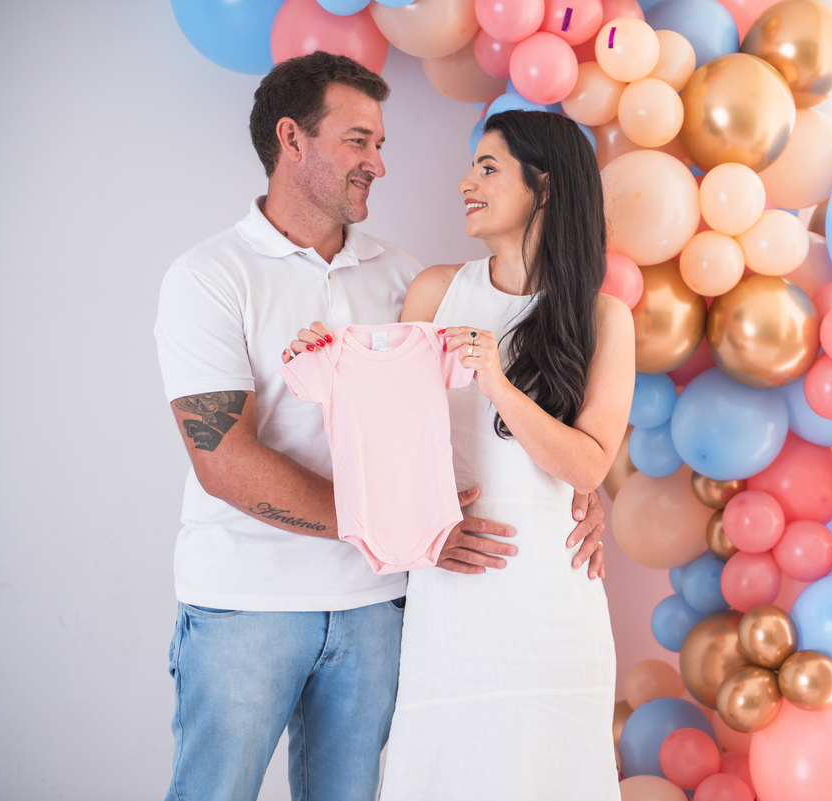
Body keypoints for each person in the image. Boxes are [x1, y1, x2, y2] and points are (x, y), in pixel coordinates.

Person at [153, 53, 605, 801]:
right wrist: (409, 529)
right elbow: (223, 461)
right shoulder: (211, 276)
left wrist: (579, 490)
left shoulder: (404, 278)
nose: (379, 164)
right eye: (358, 141)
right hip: (248, 602)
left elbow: (470, 420)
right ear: (292, 139)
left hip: (379, 606)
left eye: (382, 144)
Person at [287, 110, 634, 798]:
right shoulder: (437, 292)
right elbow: (387, 442)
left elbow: (589, 465)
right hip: (453, 604)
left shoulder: (602, 319)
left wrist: (499, 384)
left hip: (554, 604)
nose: (465, 184)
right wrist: (328, 366)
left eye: (488, 168)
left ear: (545, 187)